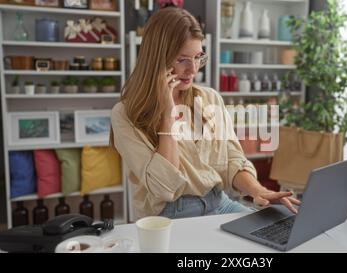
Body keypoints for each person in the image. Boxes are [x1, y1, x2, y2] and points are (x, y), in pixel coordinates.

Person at [110, 7, 299, 220]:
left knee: (279, 233)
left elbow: (232, 160)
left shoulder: (210, 99)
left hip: (220, 202)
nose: (193, 69)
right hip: (170, 214)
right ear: (157, 59)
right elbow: (164, 187)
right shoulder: (126, 114)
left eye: (198, 57)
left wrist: (258, 190)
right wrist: (167, 113)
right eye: (182, 59)